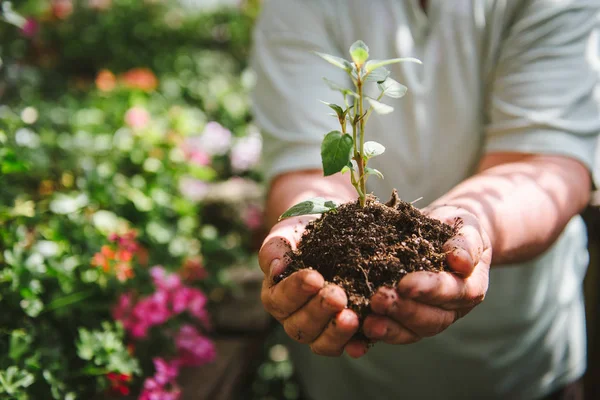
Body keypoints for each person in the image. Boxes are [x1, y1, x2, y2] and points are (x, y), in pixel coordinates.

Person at [250, 0, 600, 399]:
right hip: (349, 378)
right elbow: (310, 167)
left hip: (521, 366)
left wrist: (465, 224)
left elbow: (543, 162)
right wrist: (309, 218)